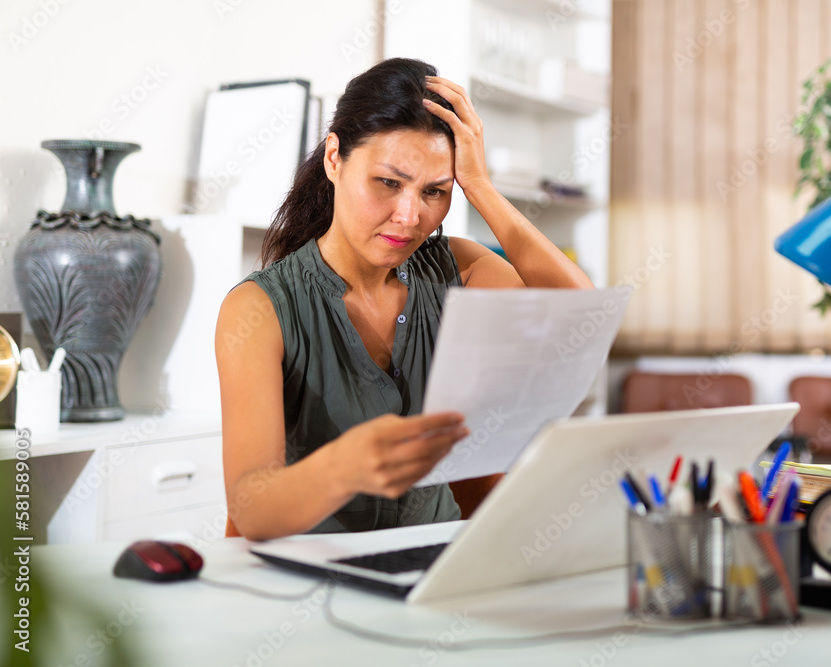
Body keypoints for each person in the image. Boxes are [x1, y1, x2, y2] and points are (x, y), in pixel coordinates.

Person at [216, 58, 593, 541]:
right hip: (313, 569)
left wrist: (480, 186)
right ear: (334, 159)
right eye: (389, 183)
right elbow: (250, 510)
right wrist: (345, 466)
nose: (410, 216)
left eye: (435, 191)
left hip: (433, 560)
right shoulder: (258, 309)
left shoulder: (458, 269)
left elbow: (581, 316)